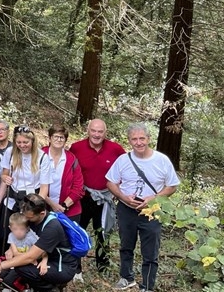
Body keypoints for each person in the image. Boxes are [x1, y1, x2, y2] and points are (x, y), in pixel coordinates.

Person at [106, 123, 179, 292]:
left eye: (142, 138)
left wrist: (154, 198)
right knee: (126, 245)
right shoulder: (123, 160)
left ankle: (147, 286)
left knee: (150, 251)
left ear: (148, 139)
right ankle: (126, 277)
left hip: (152, 212)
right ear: (129, 140)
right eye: (134, 139)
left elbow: (172, 186)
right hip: (126, 209)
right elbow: (110, 181)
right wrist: (124, 197)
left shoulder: (161, 160)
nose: (138, 143)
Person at [69, 118, 126, 278]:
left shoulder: (115, 149)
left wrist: (120, 189)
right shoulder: (77, 147)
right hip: (82, 197)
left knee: (103, 233)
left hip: (105, 198)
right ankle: (75, 269)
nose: (96, 134)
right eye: (93, 130)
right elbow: (69, 170)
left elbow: (126, 168)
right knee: (78, 232)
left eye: (100, 131)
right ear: (88, 131)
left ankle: (103, 268)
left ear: (105, 133)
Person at [0, 194, 77, 292]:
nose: (26, 220)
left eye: (30, 218)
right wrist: (11, 248)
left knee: (22, 268)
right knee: (5, 277)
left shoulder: (52, 227)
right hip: (40, 258)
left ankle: (50, 289)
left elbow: (30, 257)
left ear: (42, 213)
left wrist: (0, 265)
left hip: (60, 265)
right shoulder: (29, 216)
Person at [1, 126, 52, 234]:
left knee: (29, 234)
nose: (22, 145)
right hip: (13, 199)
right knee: (8, 232)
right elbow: (4, 173)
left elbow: (44, 187)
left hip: (32, 199)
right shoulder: (10, 152)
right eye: (18, 142)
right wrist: (5, 178)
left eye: (25, 142)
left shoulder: (42, 157)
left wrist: (36, 208)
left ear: (32, 141)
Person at [42, 124, 84, 222]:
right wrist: (52, 204)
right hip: (42, 208)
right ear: (49, 138)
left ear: (65, 140)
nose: (59, 139)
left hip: (68, 211)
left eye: (62, 137)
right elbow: (33, 183)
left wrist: (64, 206)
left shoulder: (72, 159)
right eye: (55, 136)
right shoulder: (40, 156)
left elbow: (78, 188)